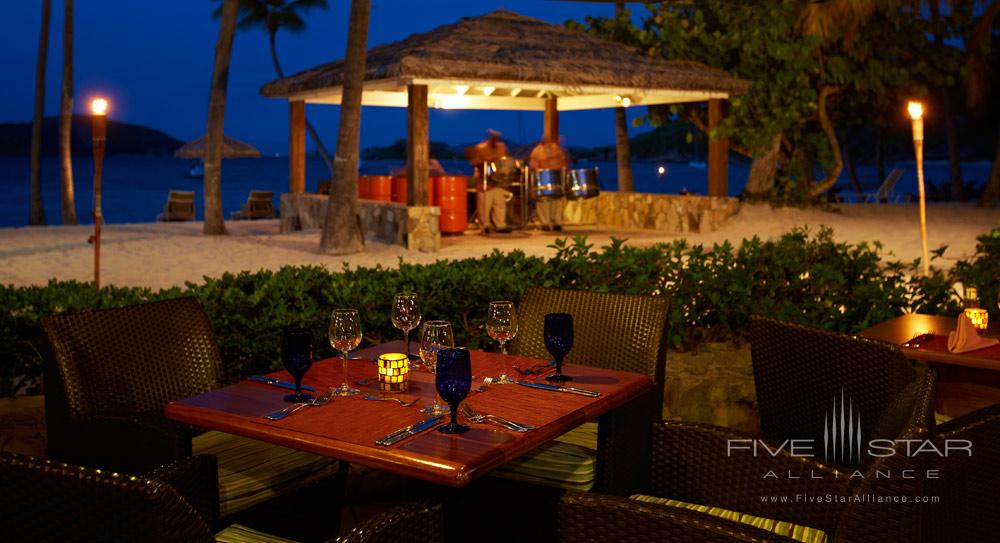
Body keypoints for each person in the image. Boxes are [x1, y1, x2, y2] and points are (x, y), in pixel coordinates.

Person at [465, 129, 511, 234]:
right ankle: (485, 226)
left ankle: (501, 225)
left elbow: (506, 160)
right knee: (484, 206)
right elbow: (474, 162)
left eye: (497, 137)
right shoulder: (481, 148)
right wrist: (486, 161)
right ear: (489, 138)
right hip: (484, 181)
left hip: (499, 181)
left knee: (500, 204)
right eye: (493, 137)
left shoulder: (502, 147)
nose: (496, 140)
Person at [529, 137, 570, 231]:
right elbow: (533, 165)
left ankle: (557, 223)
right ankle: (545, 223)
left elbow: (565, 162)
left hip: (557, 178)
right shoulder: (537, 150)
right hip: (544, 178)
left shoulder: (558, 149)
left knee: (558, 201)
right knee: (544, 201)